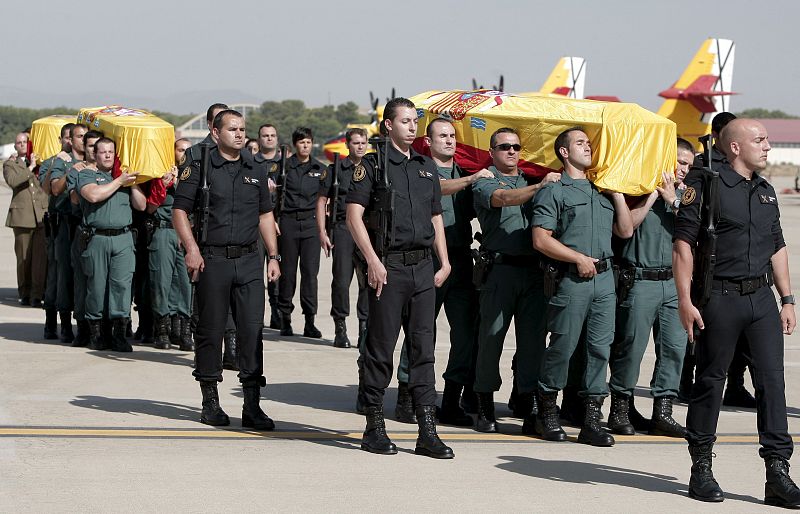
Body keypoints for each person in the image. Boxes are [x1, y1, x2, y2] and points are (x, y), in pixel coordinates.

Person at [674, 119, 800, 505]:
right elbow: (684, 246)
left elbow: (777, 245)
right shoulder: (705, 186)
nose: (767, 146)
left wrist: (787, 299)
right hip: (719, 297)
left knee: (772, 384)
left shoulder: (765, 191)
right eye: (759, 140)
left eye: (766, 139)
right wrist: (685, 301)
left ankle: (777, 473)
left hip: (761, 299)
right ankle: (701, 468)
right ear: (734, 147)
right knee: (710, 381)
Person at [346, 97, 453, 458]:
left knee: (423, 350)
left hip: (423, 268)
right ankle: (374, 427)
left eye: (414, 121)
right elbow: (353, 217)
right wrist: (373, 261)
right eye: (405, 121)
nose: (412, 126)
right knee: (380, 349)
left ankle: (427, 431)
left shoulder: (425, 166)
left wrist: (444, 261)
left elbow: (435, 216)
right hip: (388, 268)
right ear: (389, 125)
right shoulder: (373, 166)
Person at [173, 109, 281, 430]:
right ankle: (210, 402)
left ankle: (252, 405)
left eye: (242, 129)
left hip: (249, 260)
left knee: (252, 331)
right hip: (213, 259)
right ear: (215, 133)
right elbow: (180, 211)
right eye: (232, 129)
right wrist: (192, 249)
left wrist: (273, 255)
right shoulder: (200, 166)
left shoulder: (255, 168)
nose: (239, 134)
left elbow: (265, 215)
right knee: (210, 331)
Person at [532, 127, 633, 447]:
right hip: (572, 279)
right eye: (580, 143)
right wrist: (576, 258)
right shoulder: (554, 190)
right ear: (564, 152)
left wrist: (617, 195)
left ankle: (591, 420)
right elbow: (541, 239)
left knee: (600, 349)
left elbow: (625, 231)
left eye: (588, 143)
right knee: (562, 347)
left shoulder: (601, 189)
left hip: (604, 280)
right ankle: (546, 412)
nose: (587, 147)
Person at [470, 127, 559, 433]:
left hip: (533, 272)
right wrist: (540, 187)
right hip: (500, 271)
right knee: (491, 339)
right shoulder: (485, 180)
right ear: (492, 152)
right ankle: (483, 401)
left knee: (533, 343)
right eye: (504, 146)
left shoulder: (530, 179)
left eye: (516, 147)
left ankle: (529, 402)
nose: (511, 151)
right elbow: (502, 199)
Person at [606, 137, 693, 438]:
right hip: (641, 280)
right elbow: (625, 227)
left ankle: (663, 412)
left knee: (674, 349)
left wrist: (673, 200)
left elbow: (700, 232)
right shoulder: (638, 191)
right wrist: (654, 196)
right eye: (680, 162)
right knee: (630, 347)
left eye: (689, 165)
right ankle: (620, 409)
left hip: (674, 283)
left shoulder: (687, 200)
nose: (684, 169)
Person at [76, 137, 147, 351]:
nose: (107, 155)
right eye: (103, 151)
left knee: (122, 287)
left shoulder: (124, 177)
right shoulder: (87, 175)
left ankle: (119, 334)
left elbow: (141, 205)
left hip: (123, 238)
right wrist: (119, 182)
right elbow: (93, 196)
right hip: (97, 238)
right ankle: (96, 334)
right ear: (95, 154)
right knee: (97, 287)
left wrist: (132, 183)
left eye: (110, 151)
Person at [317, 127, 370, 348]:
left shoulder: (372, 169)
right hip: (343, 228)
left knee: (368, 280)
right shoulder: (335, 169)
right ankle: (340, 327)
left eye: (363, 143)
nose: (360, 147)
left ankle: (364, 328)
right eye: (356, 143)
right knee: (341, 280)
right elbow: (321, 200)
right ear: (347, 145)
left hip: (366, 229)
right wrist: (322, 231)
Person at [276, 127, 326, 338]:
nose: (305, 146)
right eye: (301, 142)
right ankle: (285, 319)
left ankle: (309, 321)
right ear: (295, 144)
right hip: (288, 223)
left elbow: (324, 200)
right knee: (287, 274)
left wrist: (323, 230)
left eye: (308, 142)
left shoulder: (320, 169)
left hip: (310, 225)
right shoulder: (283, 167)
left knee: (310, 275)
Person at [146, 139, 193, 351]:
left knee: (185, 283)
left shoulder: (194, 176)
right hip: (164, 230)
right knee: (161, 282)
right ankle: (162, 330)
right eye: (180, 149)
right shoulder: (161, 174)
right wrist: (163, 186)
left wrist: (180, 185)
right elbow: (149, 208)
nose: (184, 153)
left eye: (187, 150)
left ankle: (183, 331)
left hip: (185, 233)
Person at [49, 124, 89, 344]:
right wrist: (72, 170)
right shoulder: (62, 161)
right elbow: (55, 189)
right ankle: (64, 323)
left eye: (85, 136)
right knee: (65, 275)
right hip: (66, 223)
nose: (83, 140)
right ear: (70, 140)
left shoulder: (94, 160)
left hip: (84, 223)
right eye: (79, 136)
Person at [65, 130, 103, 347]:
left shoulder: (112, 172)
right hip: (84, 231)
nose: (95, 151)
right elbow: (75, 199)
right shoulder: (77, 171)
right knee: (82, 284)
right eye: (90, 146)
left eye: (98, 146)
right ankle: (82, 327)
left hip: (105, 233)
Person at [4, 132, 47, 309]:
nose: (22, 144)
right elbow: (13, 181)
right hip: (22, 217)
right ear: (15, 146)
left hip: (40, 215)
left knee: (39, 259)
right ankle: (25, 293)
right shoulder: (10, 164)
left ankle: (37, 294)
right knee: (24, 258)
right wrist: (30, 168)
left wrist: (37, 164)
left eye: (25, 142)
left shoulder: (40, 161)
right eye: (19, 142)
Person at [40, 123, 74, 339]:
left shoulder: (85, 161)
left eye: (74, 137)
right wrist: (56, 165)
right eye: (67, 137)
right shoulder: (52, 161)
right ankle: (52, 321)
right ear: (61, 140)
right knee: (56, 275)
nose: (70, 141)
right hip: (59, 224)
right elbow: (46, 189)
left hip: (76, 223)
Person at [253, 123, 283, 329]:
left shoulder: (285, 164)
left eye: (272, 135)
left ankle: (277, 311)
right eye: (265, 135)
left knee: (277, 270)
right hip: (257, 224)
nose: (269, 138)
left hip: (281, 223)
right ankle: (256, 314)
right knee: (255, 271)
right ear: (259, 139)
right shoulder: (250, 163)